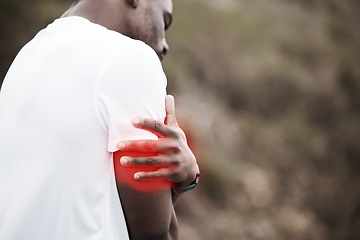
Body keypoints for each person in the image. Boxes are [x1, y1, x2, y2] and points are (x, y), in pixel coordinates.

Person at [0, 0, 199, 239]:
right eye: (165, 22)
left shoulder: (30, 53)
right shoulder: (132, 58)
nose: (165, 45)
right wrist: (187, 179)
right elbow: (155, 233)